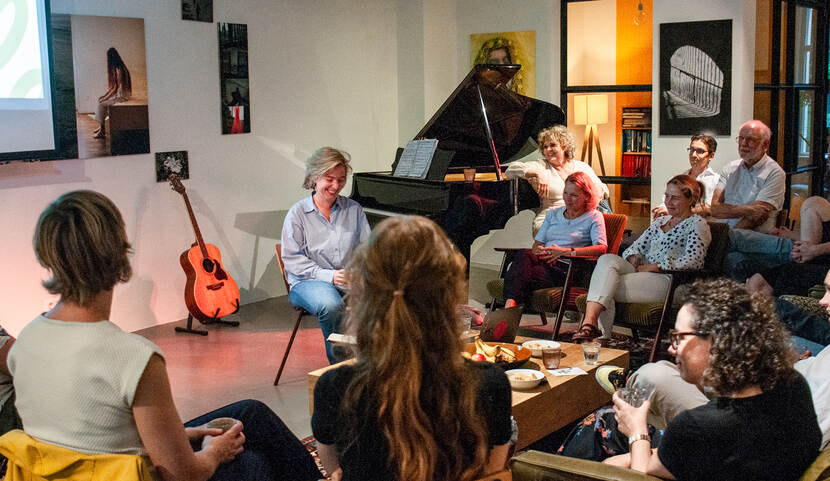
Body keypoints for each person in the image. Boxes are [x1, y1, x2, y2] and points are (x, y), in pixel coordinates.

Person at [7, 190, 321, 481]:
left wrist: (184, 434)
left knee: (250, 413)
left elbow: (88, 430)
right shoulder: (134, 357)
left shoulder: (26, 342)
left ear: (47, 256)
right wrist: (214, 454)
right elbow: (182, 474)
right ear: (118, 253)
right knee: (253, 464)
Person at [311, 216, 512, 481]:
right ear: (449, 297)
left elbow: (333, 468)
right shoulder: (490, 383)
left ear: (363, 296)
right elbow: (493, 471)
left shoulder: (334, 387)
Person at [605, 278, 821, 480]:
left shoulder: (699, 425)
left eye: (679, 337)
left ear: (717, 342)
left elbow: (642, 474)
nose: (671, 348)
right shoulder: (792, 384)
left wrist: (636, 430)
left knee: (608, 462)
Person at [572, 175, 711, 341]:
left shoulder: (697, 224)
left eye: (675, 198)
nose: (668, 202)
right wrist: (634, 255)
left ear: (691, 200)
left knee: (605, 284)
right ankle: (592, 326)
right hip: (641, 274)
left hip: (670, 281)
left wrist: (656, 266)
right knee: (607, 260)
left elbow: (694, 260)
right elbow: (635, 246)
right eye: (666, 196)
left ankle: (597, 332)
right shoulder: (661, 222)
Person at [281, 147, 371, 364]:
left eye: (341, 180)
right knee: (331, 306)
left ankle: (376, 363)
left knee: (388, 297)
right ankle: (341, 369)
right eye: (329, 179)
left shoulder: (354, 209)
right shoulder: (298, 214)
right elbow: (293, 261)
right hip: (308, 281)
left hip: (346, 278)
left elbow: (367, 249)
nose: (336, 186)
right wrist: (330, 276)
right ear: (314, 177)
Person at [502, 171, 608, 308]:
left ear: (586, 196)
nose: (568, 199)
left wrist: (566, 252)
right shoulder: (553, 213)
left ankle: (508, 308)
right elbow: (537, 244)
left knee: (518, 275)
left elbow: (601, 248)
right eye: (566, 193)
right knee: (525, 255)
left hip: (568, 269)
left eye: (574, 195)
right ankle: (510, 306)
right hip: (546, 263)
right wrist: (542, 252)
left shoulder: (594, 217)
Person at [505, 125, 608, 236]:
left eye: (553, 145)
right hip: (550, 216)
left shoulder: (581, 167)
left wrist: (597, 191)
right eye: (545, 147)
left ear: (564, 146)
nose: (548, 150)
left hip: (580, 215)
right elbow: (510, 170)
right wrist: (536, 173)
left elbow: (603, 189)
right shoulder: (541, 166)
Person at [725, 195, 830, 284]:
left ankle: (721, 238)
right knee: (733, 259)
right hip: (809, 250)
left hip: (810, 258)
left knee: (813, 202)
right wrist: (790, 234)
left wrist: (815, 250)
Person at [710, 120, 785, 233]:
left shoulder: (774, 173)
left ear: (765, 144)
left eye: (751, 139)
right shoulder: (730, 168)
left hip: (752, 237)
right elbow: (715, 209)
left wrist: (727, 238)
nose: (744, 143)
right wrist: (747, 209)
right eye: (741, 138)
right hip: (723, 233)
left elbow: (755, 218)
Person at [651, 134, 719, 218]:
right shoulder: (680, 178)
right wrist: (662, 209)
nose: (693, 155)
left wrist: (673, 210)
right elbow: (667, 201)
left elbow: (709, 209)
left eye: (700, 151)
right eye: (692, 150)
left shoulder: (717, 181)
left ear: (711, 156)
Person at [93, 47, 132, 139]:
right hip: (121, 95)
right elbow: (114, 88)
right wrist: (104, 96)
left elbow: (115, 89)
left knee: (101, 104)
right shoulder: (121, 68)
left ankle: (102, 131)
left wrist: (105, 98)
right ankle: (101, 127)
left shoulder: (120, 70)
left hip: (122, 97)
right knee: (102, 102)